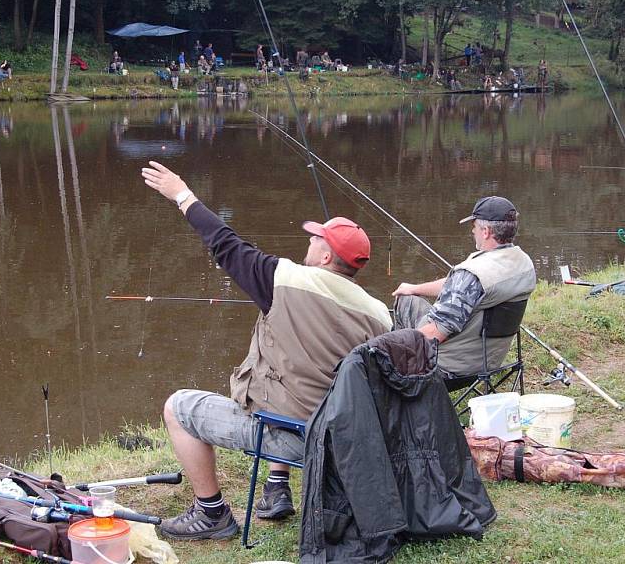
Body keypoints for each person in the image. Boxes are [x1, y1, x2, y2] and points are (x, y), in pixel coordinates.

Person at [139, 160, 392, 541]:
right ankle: (277, 487)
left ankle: (211, 515)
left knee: (178, 408)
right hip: (345, 440)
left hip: (297, 435)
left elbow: (225, 244)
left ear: (325, 257)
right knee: (287, 376)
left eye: (316, 239)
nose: (309, 241)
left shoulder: (283, 280)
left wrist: (181, 194)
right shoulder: (380, 315)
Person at [392, 196, 536, 379]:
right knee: (409, 296)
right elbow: (460, 288)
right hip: (488, 361)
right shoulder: (524, 264)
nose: (472, 230)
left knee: (403, 305)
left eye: (474, 226)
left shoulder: (471, 275)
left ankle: (402, 379)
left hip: (447, 367)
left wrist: (389, 348)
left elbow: (433, 334)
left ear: (485, 231)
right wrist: (415, 288)